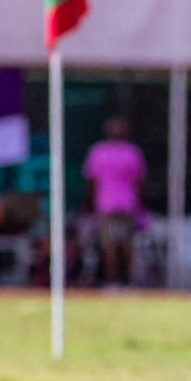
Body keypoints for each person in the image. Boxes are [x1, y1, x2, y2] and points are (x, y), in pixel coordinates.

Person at [81, 116, 148, 286]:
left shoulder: (98, 151)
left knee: (110, 244)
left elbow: (92, 181)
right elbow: (138, 182)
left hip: (106, 204)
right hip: (127, 203)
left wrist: (89, 202)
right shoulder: (132, 152)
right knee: (125, 244)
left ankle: (114, 282)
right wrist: (140, 203)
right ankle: (125, 280)